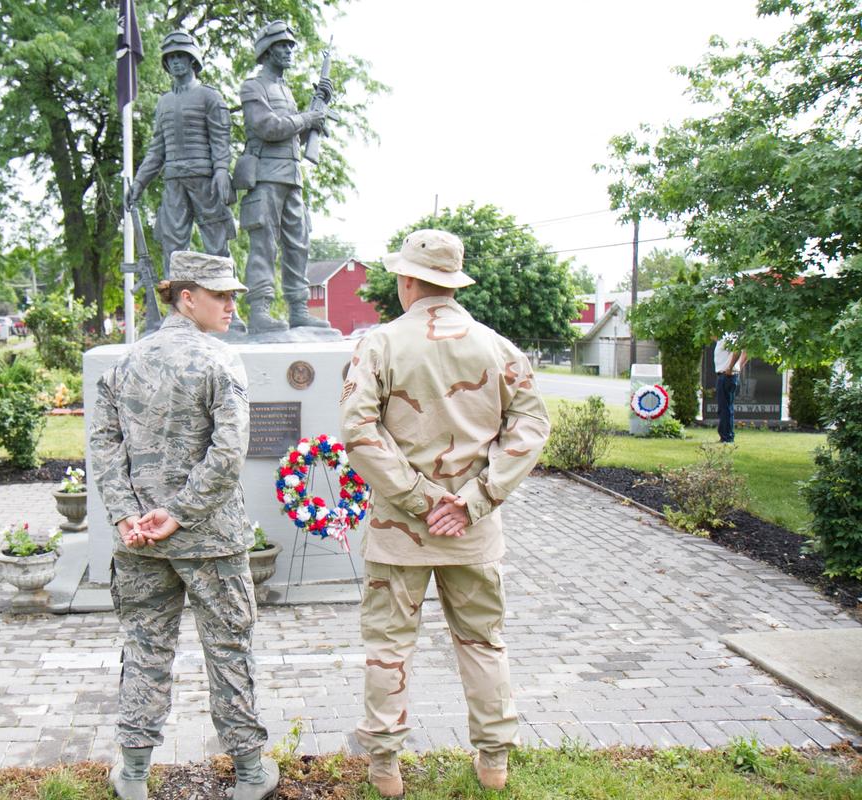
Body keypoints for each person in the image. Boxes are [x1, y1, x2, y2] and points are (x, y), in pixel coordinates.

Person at [339, 229, 551, 795]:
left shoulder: (379, 345)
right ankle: (494, 761)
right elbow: (531, 426)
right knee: (483, 643)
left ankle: (385, 766)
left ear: (407, 281)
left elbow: (358, 431)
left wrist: (419, 499)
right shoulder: (499, 348)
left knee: (389, 648)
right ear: (454, 282)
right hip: (471, 533)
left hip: (398, 531)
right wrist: (474, 501)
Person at [90, 250, 277, 800]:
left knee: (145, 651)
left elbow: (104, 444)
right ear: (186, 298)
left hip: (142, 542)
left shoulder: (126, 362)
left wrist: (128, 513)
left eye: (234, 295)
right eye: (221, 295)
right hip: (210, 540)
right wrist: (179, 514)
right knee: (228, 652)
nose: (232, 305)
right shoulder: (220, 360)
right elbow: (229, 451)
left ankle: (132, 774)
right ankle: (249, 775)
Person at [236, 20, 332, 334]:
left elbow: (291, 135)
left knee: (298, 243)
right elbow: (267, 127)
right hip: (265, 176)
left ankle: (299, 309)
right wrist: (308, 118)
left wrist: (316, 117)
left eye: (291, 45)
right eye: (283, 45)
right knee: (264, 244)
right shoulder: (253, 87)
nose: (290, 50)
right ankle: (260, 310)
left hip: (292, 177)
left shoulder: (286, 91)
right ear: (267, 50)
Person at [128, 32, 236, 279]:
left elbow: (221, 139)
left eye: (181, 56)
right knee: (173, 246)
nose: (176, 61)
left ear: (192, 59)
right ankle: (176, 300)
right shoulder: (164, 102)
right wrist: (139, 183)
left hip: (205, 180)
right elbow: (157, 149)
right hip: (174, 181)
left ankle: (225, 298)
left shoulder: (210, 96)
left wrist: (221, 170)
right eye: (171, 57)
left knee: (217, 243)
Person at [714, 335, 747, 443]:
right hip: (727, 375)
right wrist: (738, 367)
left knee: (725, 408)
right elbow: (746, 352)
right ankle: (725, 435)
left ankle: (727, 437)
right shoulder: (722, 340)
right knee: (726, 407)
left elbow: (738, 351)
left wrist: (731, 368)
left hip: (726, 375)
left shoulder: (726, 338)